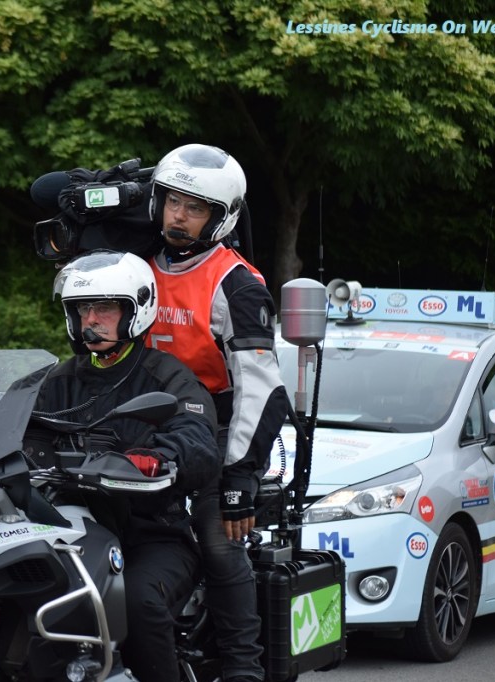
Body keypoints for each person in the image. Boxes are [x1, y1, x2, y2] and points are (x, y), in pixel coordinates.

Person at [33, 250, 220, 682]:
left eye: (105, 308)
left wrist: (157, 458)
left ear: (136, 311)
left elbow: (197, 440)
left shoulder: (166, 377)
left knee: (136, 601)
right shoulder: (58, 381)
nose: (91, 320)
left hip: (150, 534)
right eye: (83, 309)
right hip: (68, 532)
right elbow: (22, 432)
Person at [146, 143, 290, 682]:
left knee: (220, 540)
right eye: (172, 202)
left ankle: (242, 669)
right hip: (143, 426)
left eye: (195, 207)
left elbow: (261, 389)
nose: (178, 216)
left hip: (217, 431)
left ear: (221, 217)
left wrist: (239, 477)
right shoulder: (135, 269)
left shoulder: (237, 284)